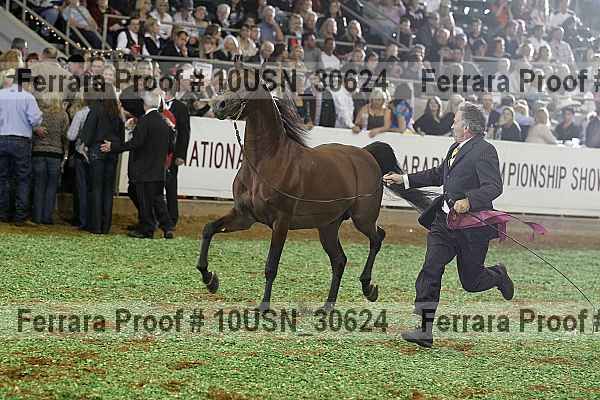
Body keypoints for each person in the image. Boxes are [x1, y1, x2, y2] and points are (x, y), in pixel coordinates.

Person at [382, 102, 514, 348]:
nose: (452, 124)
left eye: (456, 120)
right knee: (431, 269)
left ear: (467, 126)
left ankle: (498, 275)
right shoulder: (455, 147)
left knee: (472, 282)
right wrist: (404, 179)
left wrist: (469, 200)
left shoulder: (485, 150)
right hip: (444, 223)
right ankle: (425, 330)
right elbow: (437, 174)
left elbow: (494, 186)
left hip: (471, 228)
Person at [100, 89, 174, 239]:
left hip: (144, 169)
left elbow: (136, 143)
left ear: (145, 104)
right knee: (158, 200)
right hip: (158, 169)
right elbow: (171, 147)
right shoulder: (164, 122)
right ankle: (167, 227)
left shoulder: (144, 121)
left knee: (145, 201)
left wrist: (114, 147)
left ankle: (147, 229)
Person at [0, 69, 45, 226]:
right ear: (26, 82)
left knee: (2, 177)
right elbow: (35, 119)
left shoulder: (1, 94)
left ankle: (3, 213)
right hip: (21, 141)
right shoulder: (28, 97)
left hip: (2, 139)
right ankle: (20, 216)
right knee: (23, 179)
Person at [80, 84, 125, 234]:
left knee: (96, 189)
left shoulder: (96, 109)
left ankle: (96, 225)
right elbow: (122, 138)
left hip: (97, 151)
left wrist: (86, 146)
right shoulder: (117, 113)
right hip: (112, 152)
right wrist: (112, 146)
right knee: (108, 190)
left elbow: (87, 132)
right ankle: (106, 226)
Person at [31, 94, 69, 225]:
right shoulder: (63, 115)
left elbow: (32, 132)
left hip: (38, 152)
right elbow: (66, 136)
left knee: (38, 185)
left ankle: (37, 217)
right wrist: (65, 153)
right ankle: (47, 217)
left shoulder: (38, 114)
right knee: (52, 186)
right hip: (55, 154)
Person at [161, 76, 190, 228]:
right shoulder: (156, 104)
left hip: (172, 154)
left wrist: (181, 155)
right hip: (156, 152)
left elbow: (185, 133)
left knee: (171, 186)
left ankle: (172, 219)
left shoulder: (181, 107)